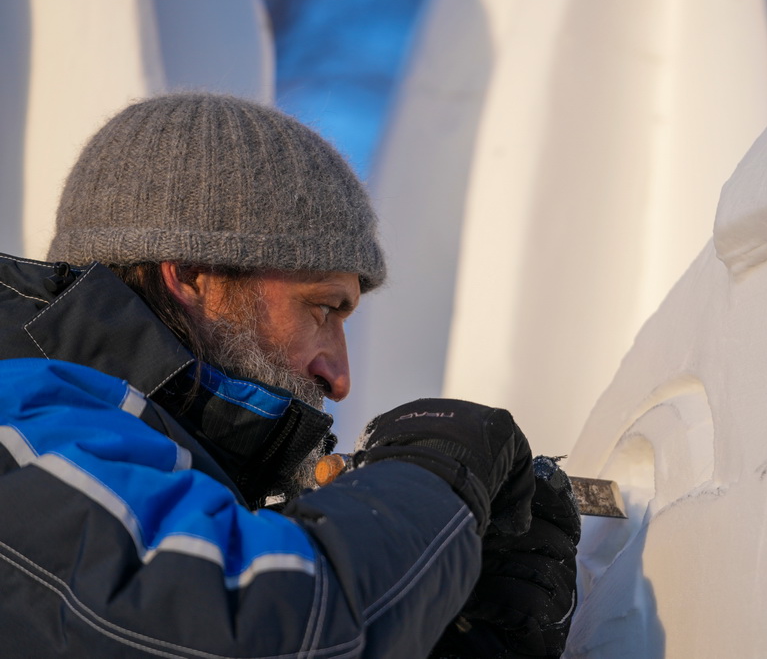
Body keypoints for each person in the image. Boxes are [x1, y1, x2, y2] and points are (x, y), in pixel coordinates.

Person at [0, 93, 579, 657]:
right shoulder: (17, 419)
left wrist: (450, 631)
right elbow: (247, 630)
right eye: (323, 308)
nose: (340, 378)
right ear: (195, 276)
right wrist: (435, 477)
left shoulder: (113, 476)